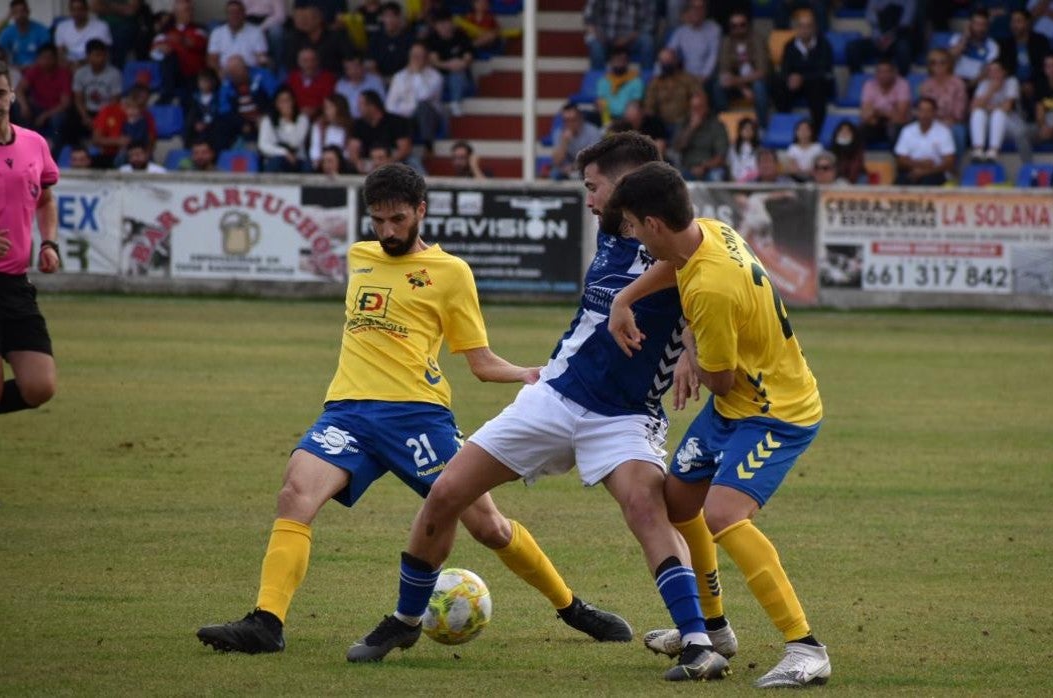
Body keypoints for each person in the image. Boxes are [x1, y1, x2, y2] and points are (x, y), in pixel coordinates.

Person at [197, 163, 633, 655]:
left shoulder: (451, 273)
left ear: (421, 212)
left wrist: (531, 373)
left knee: (488, 526)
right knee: (295, 495)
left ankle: (572, 607)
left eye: (398, 220)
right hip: (347, 412)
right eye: (378, 221)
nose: (387, 232)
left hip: (417, 416)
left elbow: (481, 362)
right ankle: (266, 623)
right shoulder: (360, 257)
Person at [346, 134, 730, 683]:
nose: (589, 200)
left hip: (625, 415)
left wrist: (691, 344)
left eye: (594, 187)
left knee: (647, 510)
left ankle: (698, 644)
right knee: (448, 491)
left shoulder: (678, 237)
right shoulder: (615, 228)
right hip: (553, 394)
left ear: (625, 186)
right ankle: (406, 618)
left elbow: (698, 269)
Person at [605, 160, 831, 690]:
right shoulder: (710, 232)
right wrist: (625, 297)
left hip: (776, 411)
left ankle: (806, 647)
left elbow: (723, 378)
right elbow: (680, 269)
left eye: (634, 225)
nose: (631, 235)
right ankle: (713, 628)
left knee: (723, 514)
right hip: (737, 408)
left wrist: (691, 349)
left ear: (654, 224)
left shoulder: (711, 288)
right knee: (679, 503)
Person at [0, 61, 60, 417]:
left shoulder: (34, 143)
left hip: (16, 286)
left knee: (39, 387)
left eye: (1, 93)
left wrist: (48, 243)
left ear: (12, 95)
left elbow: (46, 200)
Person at [772, 10, 834, 135]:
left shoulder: (824, 45)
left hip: (817, 84)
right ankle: (784, 127)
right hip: (796, 85)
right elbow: (785, 69)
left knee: (817, 87)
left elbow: (824, 71)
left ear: (815, 28)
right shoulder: (789, 45)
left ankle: (816, 132)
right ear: (796, 28)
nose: (804, 30)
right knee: (778, 83)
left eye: (808, 26)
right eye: (801, 26)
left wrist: (803, 78)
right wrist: (790, 78)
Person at [384, 42, 444, 152]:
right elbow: (389, 105)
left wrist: (417, 74)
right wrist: (405, 112)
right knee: (393, 117)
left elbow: (423, 96)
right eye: (413, 55)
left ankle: (427, 144)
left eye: (419, 56)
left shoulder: (435, 76)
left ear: (426, 58)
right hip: (405, 117)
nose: (415, 59)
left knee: (423, 107)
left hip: (428, 117)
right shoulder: (399, 76)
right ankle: (399, 149)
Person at [713, 12, 769, 127]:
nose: (738, 28)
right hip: (737, 84)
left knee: (759, 87)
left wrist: (737, 81)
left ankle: (763, 127)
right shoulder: (726, 42)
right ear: (730, 28)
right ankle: (725, 125)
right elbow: (724, 70)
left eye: (742, 25)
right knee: (718, 85)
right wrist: (742, 88)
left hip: (758, 81)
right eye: (734, 26)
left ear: (748, 25)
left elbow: (762, 72)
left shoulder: (757, 39)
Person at [150, 0, 210, 105]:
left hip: (193, 76)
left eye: (191, 10)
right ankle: (167, 95)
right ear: (176, 13)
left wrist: (178, 40)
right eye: (187, 10)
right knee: (169, 56)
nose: (191, 13)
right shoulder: (166, 31)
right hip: (174, 76)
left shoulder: (199, 29)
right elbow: (154, 51)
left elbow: (197, 43)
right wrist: (161, 48)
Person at [18, 44, 72, 152]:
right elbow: (19, 90)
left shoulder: (63, 73)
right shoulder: (35, 70)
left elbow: (65, 103)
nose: (46, 61)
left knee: (57, 119)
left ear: (56, 59)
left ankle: (54, 153)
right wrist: (24, 106)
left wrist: (45, 116)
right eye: (43, 58)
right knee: (17, 106)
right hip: (37, 108)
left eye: (49, 58)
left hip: (55, 111)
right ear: (38, 59)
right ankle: (23, 146)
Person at [998, 9, 1051, 119]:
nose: (1014, 25)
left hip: (1036, 83)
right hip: (1014, 84)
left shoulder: (1040, 41)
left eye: (1018, 21)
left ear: (1027, 23)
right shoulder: (1005, 44)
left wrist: (1031, 83)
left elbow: (1044, 67)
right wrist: (1020, 85)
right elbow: (1005, 68)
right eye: (1012, 22)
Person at [969, 60, 1025, 162]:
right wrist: (991, 90)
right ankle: (978, 150)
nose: (993, 74)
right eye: (991, 71)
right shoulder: (984, 84)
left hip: (1010, 122)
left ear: (1004, 72)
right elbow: (973, 107)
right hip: (989, 122)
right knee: (978, 114)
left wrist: (986, 106)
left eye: (997, 70)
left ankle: (994, 150)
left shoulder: (1011, 82)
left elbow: (1007, 107)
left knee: (998, 114)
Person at [894, 96, 955, 186]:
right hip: (912, 170)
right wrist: (920, 164)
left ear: (934, 112)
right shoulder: (907, 130)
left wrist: (925, 172)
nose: (924, 114)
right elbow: (900, 160)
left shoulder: (944, 132)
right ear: (916, 112)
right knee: (900, 181)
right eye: (921, 111)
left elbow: (949, 162)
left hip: (935, 172)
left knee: (928, 181)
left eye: (928, 111)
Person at [847, 0, 917, 76]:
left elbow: (905, 22)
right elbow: (869, 15)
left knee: (904, 50)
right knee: (852, 48)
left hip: (897, 39)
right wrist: (881, 37)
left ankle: (900, 84)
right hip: (877, 40)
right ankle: (860, 81)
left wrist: (889, 36)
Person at [349, 89, 414, 171]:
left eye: (361, 104)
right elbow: (353, 148)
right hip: (369, 162)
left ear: (372, 106)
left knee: (412, 162)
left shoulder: (396, 121)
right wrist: (357, 162)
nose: (358, 107)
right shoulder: (358, 124)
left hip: (395, 162)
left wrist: (388, 163)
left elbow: (404, 149)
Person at [918, 48, 968, 155]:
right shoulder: (926, 85)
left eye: (942, 62)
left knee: (957, 132)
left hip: (953, 123)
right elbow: (925, 109)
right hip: (931, 121)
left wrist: (946, 121)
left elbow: (959, 112)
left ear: (949, 64)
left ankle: (952, 168)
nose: (938, 66)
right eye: (933, 63)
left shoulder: (958, 83)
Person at [583, 0, 657, 72]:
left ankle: (647, 80)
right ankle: (597, 80)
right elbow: (588, 17)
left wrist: (629, 38)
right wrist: (599, 35)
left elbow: (649, 23)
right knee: (596, 47)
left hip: (632, 40)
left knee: (647, 42)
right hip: (604, 39)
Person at [669, 91, 727, 182]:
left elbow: (721, 156)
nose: (697, 111)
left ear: (706, 107)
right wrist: (691, 129)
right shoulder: (683, 123)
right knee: (673, 177)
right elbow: (676, 148)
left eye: (700, 107)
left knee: (716, 176)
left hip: (710, 168)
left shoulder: (716, 125)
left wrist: (704, 166)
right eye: (694, 108)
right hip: (687, 168)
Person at [644, 47, 702, 135]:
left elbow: (699, 100)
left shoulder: (689, 79)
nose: (665, 64)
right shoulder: (655, 82)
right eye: (663, 61)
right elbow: (649, 107)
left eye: (668, 60)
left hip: (685, 124)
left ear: (675, 60)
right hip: (662, 125)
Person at [425, 10, 473, 118]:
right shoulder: (432, 39)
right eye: (440, 24)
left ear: (451, 23)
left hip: (460, 77)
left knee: (457, 73)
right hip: (440, 77)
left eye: (446, 23)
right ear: (435, 26)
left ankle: (455, 103)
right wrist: (450, 64)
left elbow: (468, 58)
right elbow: (434, 61)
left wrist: (461, 63)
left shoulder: (461, 35)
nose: (444, 27)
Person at [664, 0, 720, 89]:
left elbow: (713, 56)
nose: (697, 11)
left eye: (700, 8)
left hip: (708, 78)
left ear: (705, 11)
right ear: (688, 10)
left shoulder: (714, 29)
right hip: (687, 78)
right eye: (693, 7)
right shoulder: (681, 31)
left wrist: (703, 77)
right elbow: (669, 52)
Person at [258, 85, 310, 172]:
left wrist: (288, 120)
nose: (285, 104)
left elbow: (295, 142)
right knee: (275, 162)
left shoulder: (302, 119)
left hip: (298, 159)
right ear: (276, 103)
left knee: (307, 166)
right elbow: (263, 145)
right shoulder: (268, 120)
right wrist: (284, 152)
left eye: (287, 100)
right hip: (276, 158)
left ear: (293, 101)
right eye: (281, 101)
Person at [208, 0, 270, 72]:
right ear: (226, 15)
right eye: (231, 13)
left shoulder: (256, 32)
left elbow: (261, 57)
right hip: (225, 73)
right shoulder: (217, 33)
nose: (235, 15)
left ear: (244, 14)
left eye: (238, 12)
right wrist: (219, 73)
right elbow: (212, 59)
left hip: (249, 73)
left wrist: (263, 61)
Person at [860, 58, 910, 146]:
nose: (883, 75)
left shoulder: (902, 85)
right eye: (880, 72)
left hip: (896, 125)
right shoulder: (869, 85)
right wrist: (888, 113)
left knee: (895, 130)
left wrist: (877, 112)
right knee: (860, 131)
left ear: (894, 72)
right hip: (877, 123)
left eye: (886, 72)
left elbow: (901, 116)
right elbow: (865, 115)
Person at [948, 9, 1000, 91]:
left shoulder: (992, 45)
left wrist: (969, 85)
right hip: (955, 81)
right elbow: (950, 60)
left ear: (987, 26)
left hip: (977, 84)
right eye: (977, 24)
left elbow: (987, 71)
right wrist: (965, 38)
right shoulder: (957, 39)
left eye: (983, 25)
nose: (980, 28)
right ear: (970, 24)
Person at [549, 102, 601, 180]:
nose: (570, 124)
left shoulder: (593, 131)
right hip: (566, 170)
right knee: (555, 173)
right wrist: (564, 142)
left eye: (573, 120)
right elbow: (556, 162)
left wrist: (573, 167)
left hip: (586, 168)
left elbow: (594, 159)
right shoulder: (559, 133)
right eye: (566, 120)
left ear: (581, 118)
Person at [54, 0, 112, 67]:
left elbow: (105, 53)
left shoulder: (101, 27)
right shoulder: (62, 27)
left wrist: (80, 64)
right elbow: (60, 53)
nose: (77, 13)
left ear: (87, 10)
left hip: (93, 66)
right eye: (73, 10)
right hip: (69, 66)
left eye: (80, 9)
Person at [597, 46, 645, 125]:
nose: (620, 63)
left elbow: (635, 102)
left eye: (623, 60)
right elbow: (601, 100)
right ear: (611, 62)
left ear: (627, 62)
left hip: (626, 118)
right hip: (607, 117)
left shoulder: (636, 81)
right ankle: (607, 130)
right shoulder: (603, 81)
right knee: (598, 106)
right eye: (617, 60)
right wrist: (607, 121)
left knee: (634, 110)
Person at [286, 46, 337, 122]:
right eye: (305, 61)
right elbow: (287, 99)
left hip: (321, 118)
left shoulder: (328, 78)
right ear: (299, 62)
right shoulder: (292, 78)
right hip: (296, 117)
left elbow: (330, 101)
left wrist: (315, 110)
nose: (309, 65)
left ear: (318, 61)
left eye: (313, 60)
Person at [0, 0, 50, 69]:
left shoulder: (41, 30)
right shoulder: (8, 32)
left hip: (38, 70)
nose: (19, 15)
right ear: (12, 14)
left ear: (28, 12)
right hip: (15, 69)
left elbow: (47, 55)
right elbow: (0, 51)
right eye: (16, 12)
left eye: (22, 11)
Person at [309, 93, 350, 170]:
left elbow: (347, 151)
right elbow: (315, 148)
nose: (326, 111)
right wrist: (318, 162)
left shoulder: (348, 127)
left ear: (339, 108)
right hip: (322, 163)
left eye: (330, 107)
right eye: (325, 107)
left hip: (342, 164)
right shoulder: (319, 125)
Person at [828, 120, 865, 184]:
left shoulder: (857, 149)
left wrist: (846, 182)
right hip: (835, 178)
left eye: (847, 131)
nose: (844, 133)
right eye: (841, 131)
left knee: (863, 178)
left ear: (853, 134)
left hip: (854, 179)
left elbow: (855, 168)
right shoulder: (831, 149)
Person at [727, 116, 760, 182]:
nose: (747, 131)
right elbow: (730, 165)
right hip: (736, 180)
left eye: (750, 129)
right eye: (745, 128)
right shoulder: (733, 148)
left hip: (754, 181)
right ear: (740, 130)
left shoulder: (759, 148)